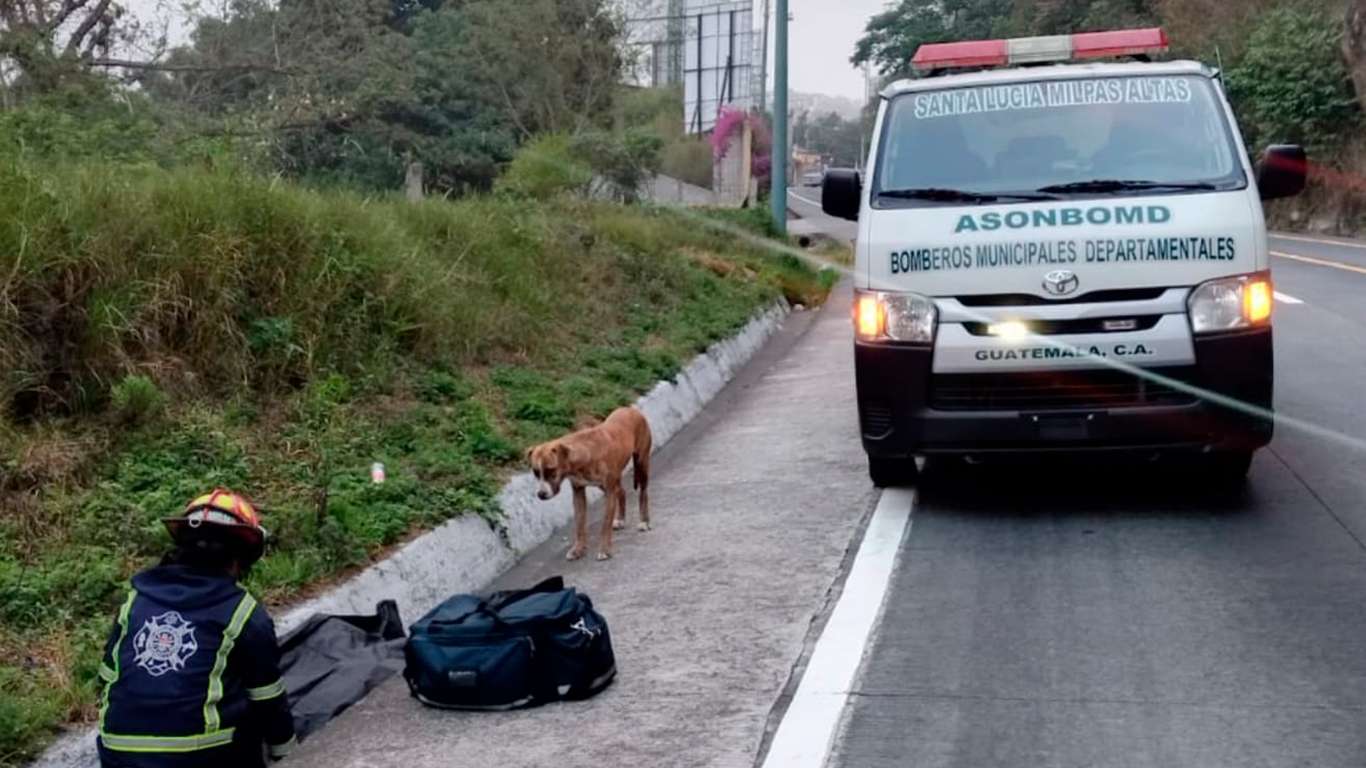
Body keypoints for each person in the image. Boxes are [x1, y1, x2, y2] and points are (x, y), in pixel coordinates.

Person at [96, 489, 296, 767]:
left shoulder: (135, 602)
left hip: (118, 756)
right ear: (241, 558)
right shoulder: (242, 611)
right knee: (247, 707)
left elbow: (106, 679)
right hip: (203, 759)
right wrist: (288, 755)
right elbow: (268, 700)